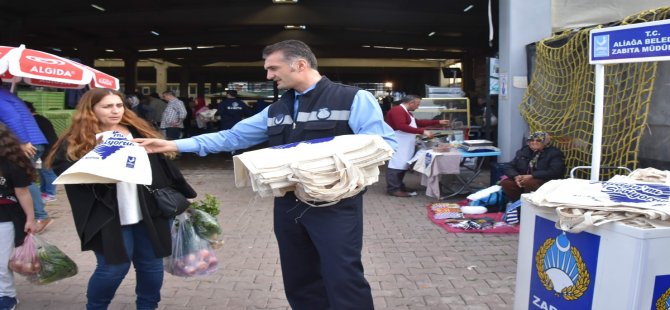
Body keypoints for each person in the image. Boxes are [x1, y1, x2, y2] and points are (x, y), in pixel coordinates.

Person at [135, 39, 397, 310]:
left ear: (300, 65)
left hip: (335, 205)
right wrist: (173, 144)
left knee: (342, 276)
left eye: (273, 68)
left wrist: (326, 160)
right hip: (287, 205)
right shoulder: (275, 109)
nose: (269, 75)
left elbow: (385, 145)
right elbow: (232, 137)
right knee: (299, 279)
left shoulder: (353, 99)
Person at [45, 88, 195, 310]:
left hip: (148, 209)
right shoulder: (78, 140)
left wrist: (181, 198)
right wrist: (99, 168)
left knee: (151, 265)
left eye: (119, 105)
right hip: (107, 214)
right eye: (107, 106)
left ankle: (148, 306)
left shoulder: (138, 130)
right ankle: (96, 306)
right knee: (113, 268)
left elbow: (164, 167)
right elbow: (64, 170)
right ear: (90, 110)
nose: (115, 111)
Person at [0, 86, 52, 233]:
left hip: (25, 143)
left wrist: (23, 142)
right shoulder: (5, 93)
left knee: (22, 182)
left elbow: (13, 118)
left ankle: (40, 216)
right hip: (29, 141)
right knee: (21, 181)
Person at [0, 123, 37, 310]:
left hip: (5, 217)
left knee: (1, 261)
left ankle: (7, 295)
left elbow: (22, 192)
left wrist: (31, 219)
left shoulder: (10, 162)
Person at [384, 95, 449, 197]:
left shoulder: (406, 112)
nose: (418, 107)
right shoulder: (397, 111)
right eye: (417, 104)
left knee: (403, 164)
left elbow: (417, 123)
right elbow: (401, 126)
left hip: (405, 143)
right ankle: (393, 189)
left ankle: (399, 186)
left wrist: (438, 122)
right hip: (398, 142)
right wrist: (423, 131)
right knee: (395, 165)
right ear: (411, 103)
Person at [500, 131, 566, 201]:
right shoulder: (524, 151)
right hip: (525, 179)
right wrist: (516, 176)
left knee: (530, 183)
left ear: (545, 142)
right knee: (506, 183)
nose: (534, 142)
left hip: (545, 181)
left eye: (538, 140)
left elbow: (555, 172)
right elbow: (509, 166)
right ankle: (519, 204)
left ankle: (530, 204)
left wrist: (532, 176)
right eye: (531, 140)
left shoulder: (554, 153)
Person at [23, 101, 59, 203]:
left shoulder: (35, 120)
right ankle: (44, 192)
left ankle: (51, 193)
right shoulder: (40, 119)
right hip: (49, 147)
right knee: (43, 171)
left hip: (49, 148)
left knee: (48, 171)